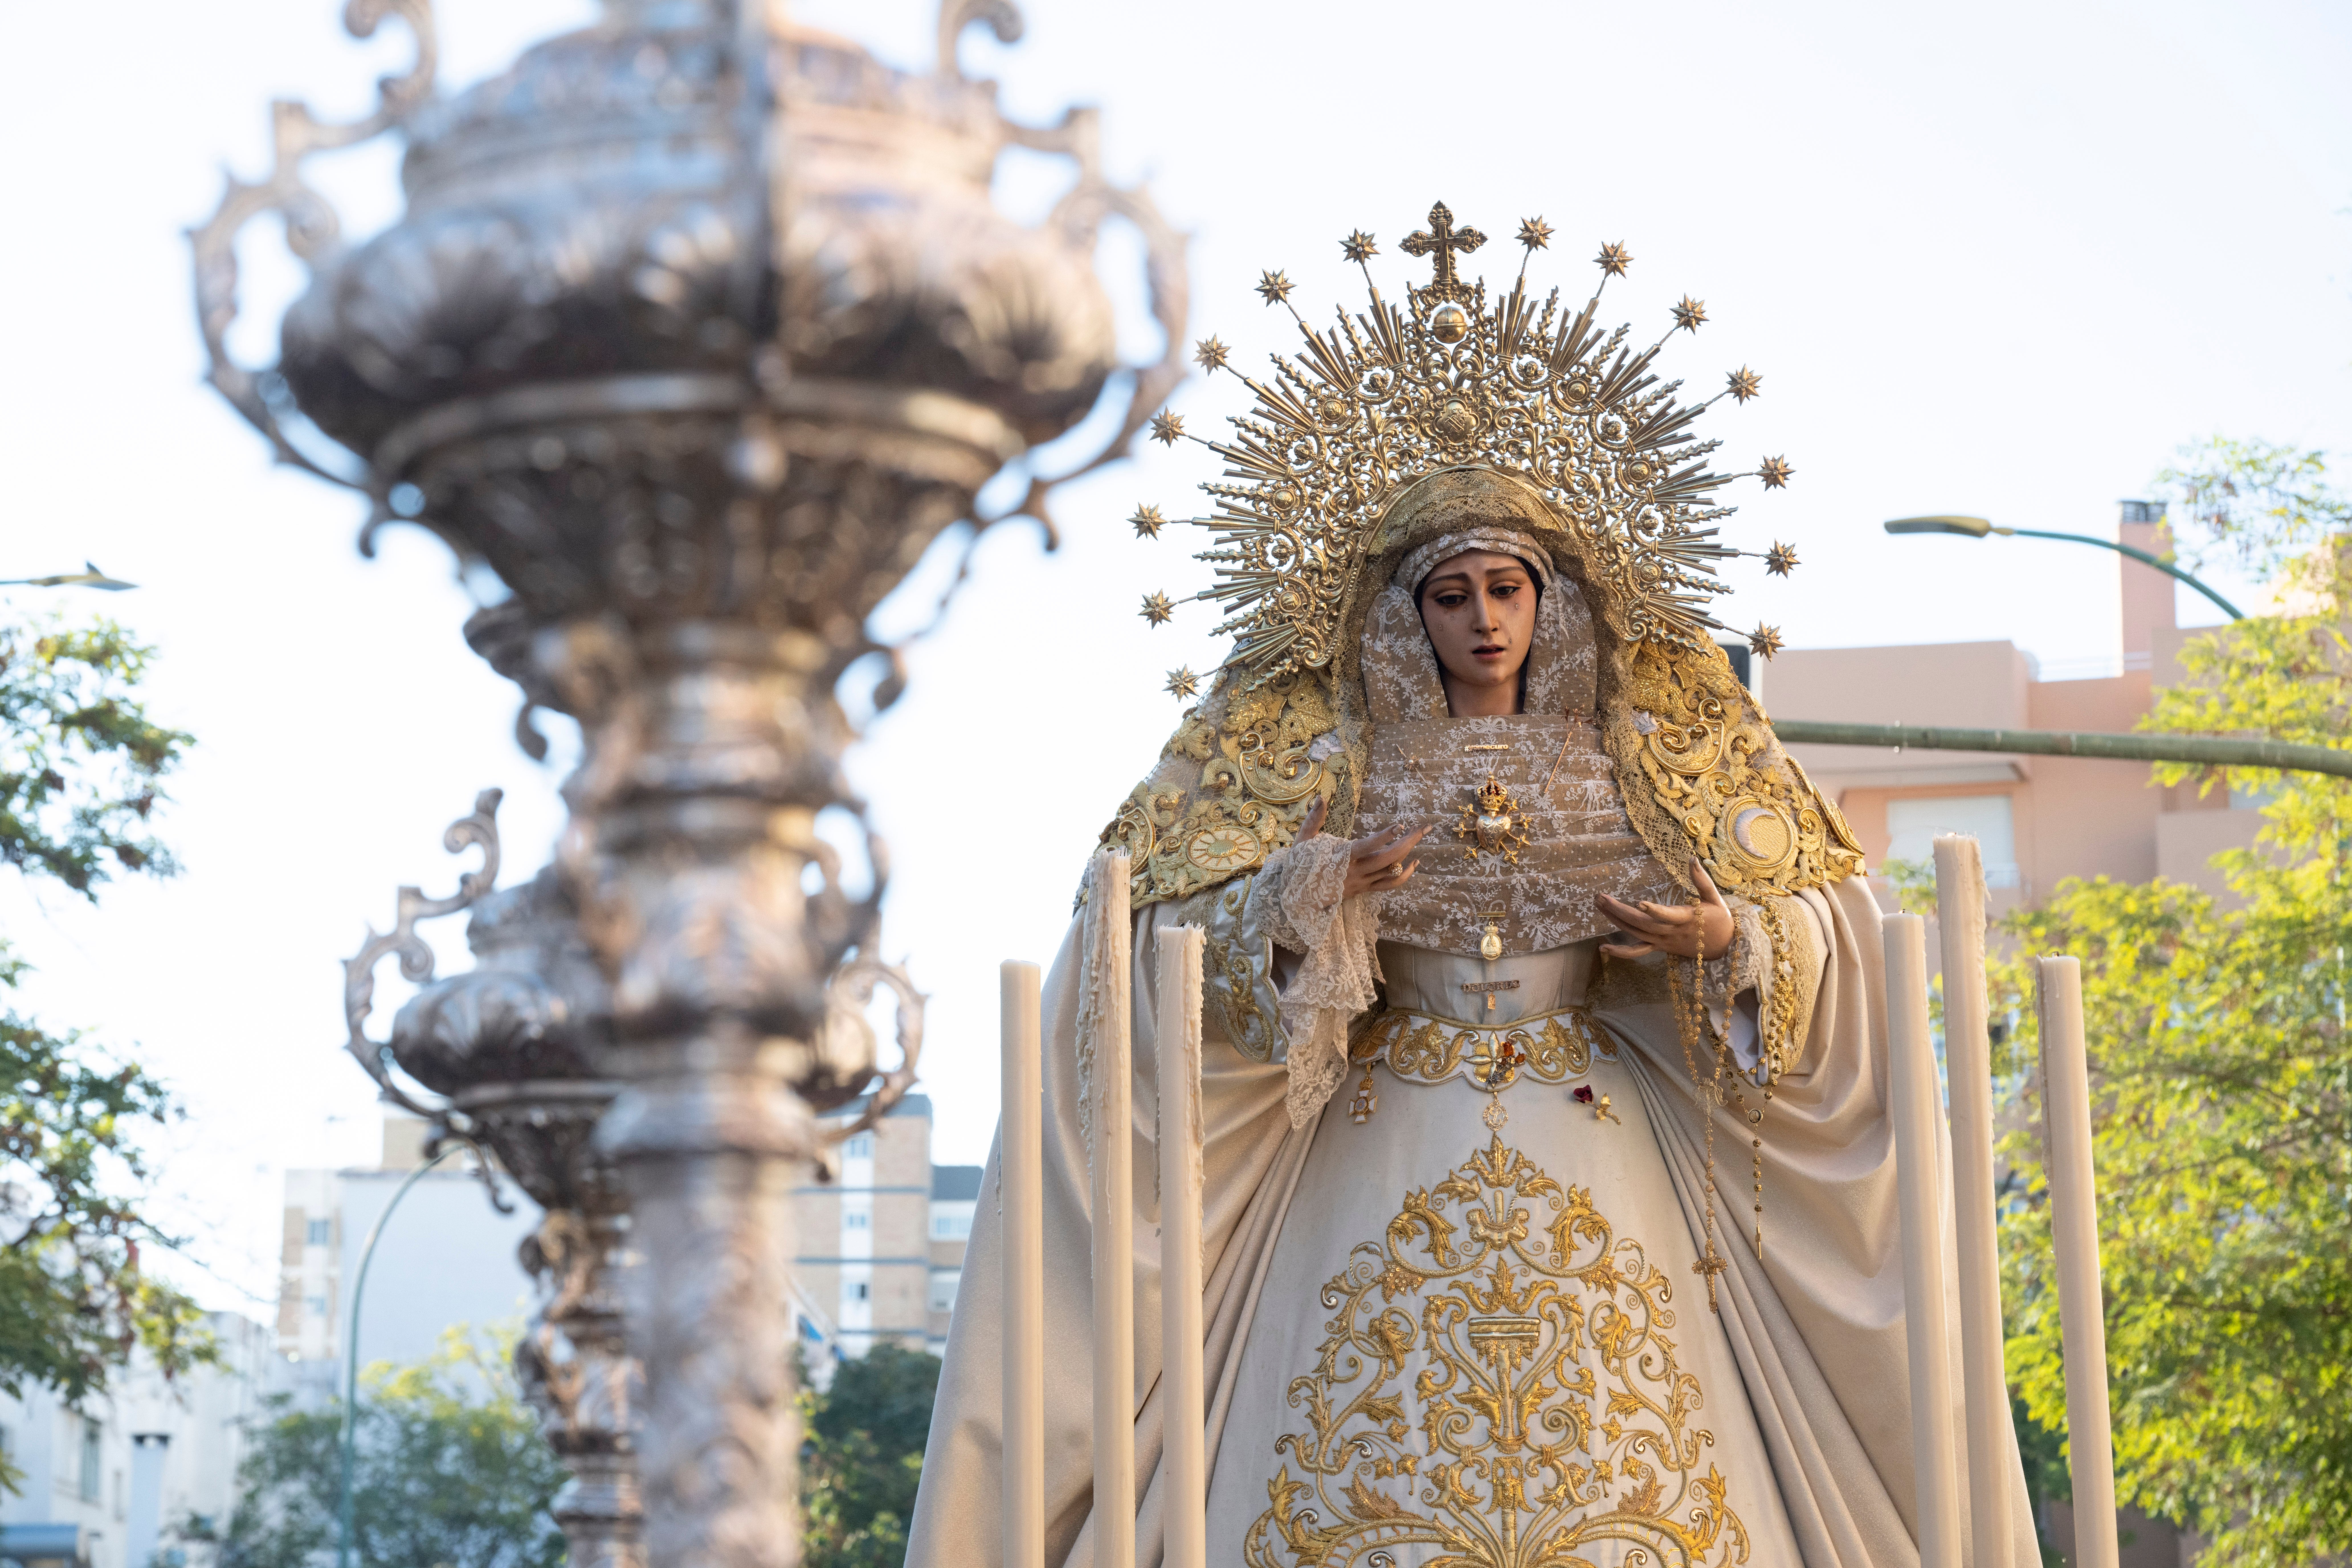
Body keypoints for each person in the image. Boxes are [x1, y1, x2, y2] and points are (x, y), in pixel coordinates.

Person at [906, 206, 2036, 1568]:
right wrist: (1302, 898)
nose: (1485, 619)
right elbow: (1143, 947)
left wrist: (1728, 937)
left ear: (1552, 599)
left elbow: (1824, 918)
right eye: (1453, 595)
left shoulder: (1649, 750)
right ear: (1408, 612)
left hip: (1596, 1117)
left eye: (1507, 588)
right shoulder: (1320, 758)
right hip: (1376, 1126)